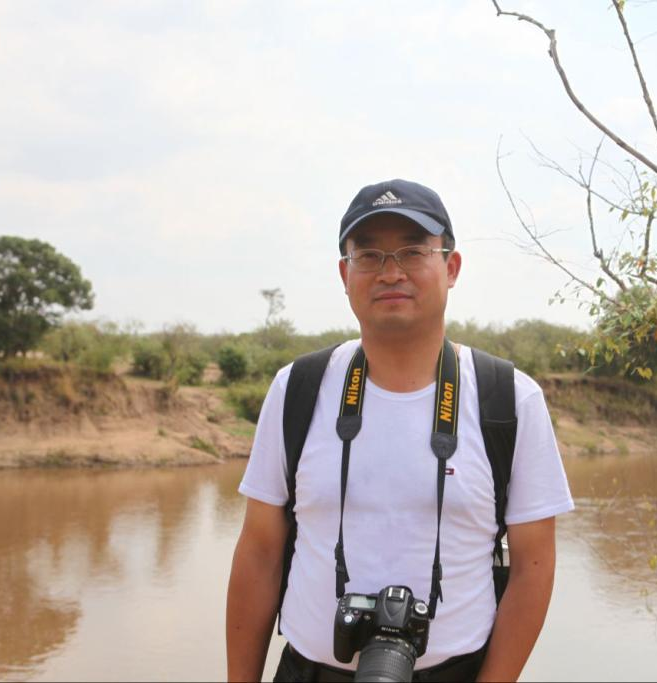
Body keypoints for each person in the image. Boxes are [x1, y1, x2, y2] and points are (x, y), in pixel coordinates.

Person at [226, 179, 574, 682]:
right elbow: (259, 552)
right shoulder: (297, 388)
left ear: (451, 267)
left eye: (413, 252)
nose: (390, 272)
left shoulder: (510, 399)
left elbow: (534, 567)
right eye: (368, 256)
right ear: (345, 274)